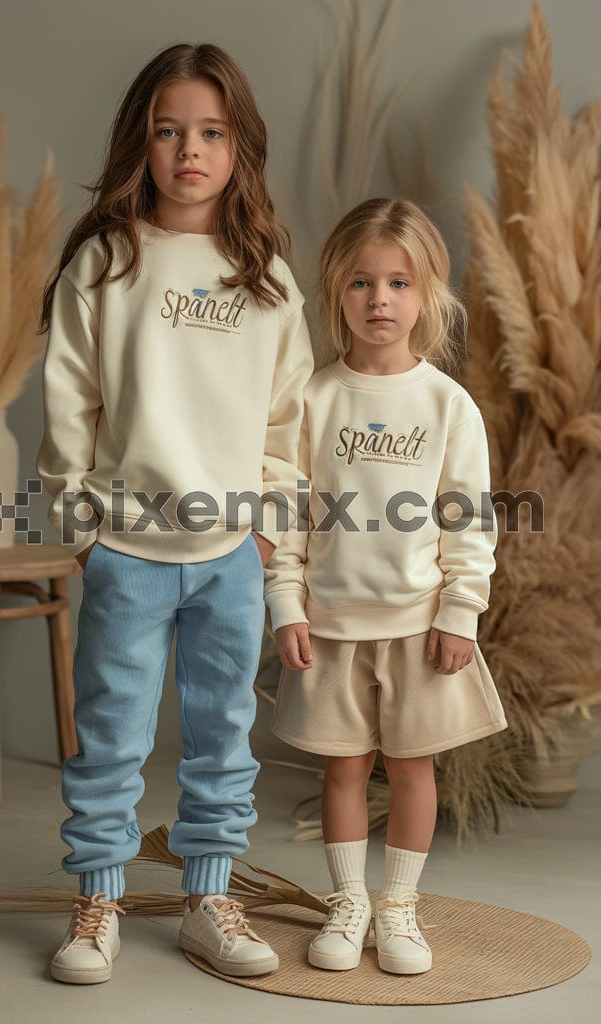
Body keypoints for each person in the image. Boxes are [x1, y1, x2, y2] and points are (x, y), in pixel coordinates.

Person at [36, 42, 313, 985]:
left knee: (223, 733)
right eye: (167, 131)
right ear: (139, 143)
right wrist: (82, 528)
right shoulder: (107, 262)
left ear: (240, 147)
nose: (188, 150)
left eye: (210, 132)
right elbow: (68, 401)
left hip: (231, 552)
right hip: (126, 547)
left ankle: (209, 899)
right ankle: (99, 902)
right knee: (111, 730)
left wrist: (269, 523)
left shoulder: (265, 275)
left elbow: (288, 415)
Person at [263, 197, 507, 976]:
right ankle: (347, 903)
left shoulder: (446, 405)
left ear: (428, 293)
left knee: (410, 769)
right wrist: (285, 601)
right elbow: (287, 509)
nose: (379, 300)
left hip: (416, 624)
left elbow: (467, 519)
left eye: (399, 283)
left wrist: (461, 610)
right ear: (336, 290)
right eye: (362, 283)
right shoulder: (312, 398)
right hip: (331, 625)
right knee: (341, 767)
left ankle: (397, 907)